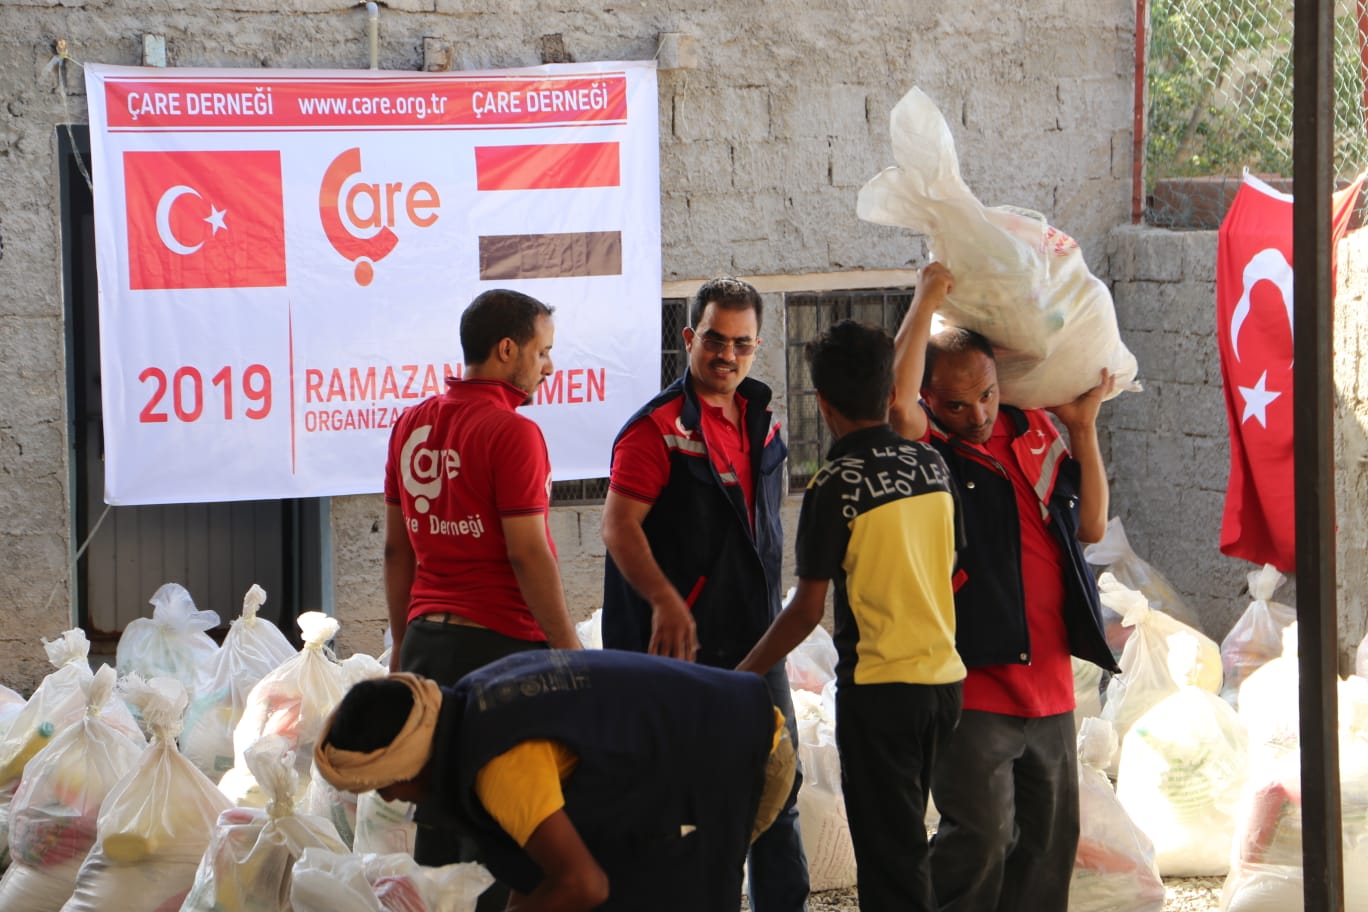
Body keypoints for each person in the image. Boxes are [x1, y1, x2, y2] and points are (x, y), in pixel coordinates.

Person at [888, 262, 1121, 912]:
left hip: (1049, 685)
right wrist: (927, 294)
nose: (977, 413)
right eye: (956, 403)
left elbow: (1094, 524)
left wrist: (1083, 428)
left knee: (1049, 845)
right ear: (934, 400)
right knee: (980, 839)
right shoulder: (933, 451)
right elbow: (897, 405)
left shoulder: (1037, 432)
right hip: (975, 682)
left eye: (987, 395)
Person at [737, 319, 966, 912]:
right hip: (944, 685)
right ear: (893, 392)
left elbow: (806, 609)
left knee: (890, 861)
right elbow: (950, 565)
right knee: (908, 843)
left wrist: (743, 672)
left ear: (822, 403)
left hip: (883, 692)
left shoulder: (835, 483)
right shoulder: (932, 466)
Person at [600, 276, 809, 911]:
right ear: (689, 338)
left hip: (758, 642)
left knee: (777, 787)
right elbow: (617, 525)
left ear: (758, 346)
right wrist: (666, 601)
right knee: (684, 802)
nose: (727, 355)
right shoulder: (657, 430)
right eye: (715, 341)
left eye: (742, 345)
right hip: (678, 651)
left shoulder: (765, 427)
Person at [314, 649, 797, 912]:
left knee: (656, 891)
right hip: (721, 727)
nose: (389, 796)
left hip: (744, 753)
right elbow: (539, 870)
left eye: (383, 784)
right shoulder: (472, 703)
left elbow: (583, 884)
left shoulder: (498, 768)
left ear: (409, 762)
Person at [382, 288, 581, 895]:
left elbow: (398, 550)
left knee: (442, 827)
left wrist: (400, 648)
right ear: (506, 349)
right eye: (542, 352)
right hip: (497, 654)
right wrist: (569, 649)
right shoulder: (512, 433)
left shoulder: (411, 424)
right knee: (506, 829)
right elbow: (528, 552)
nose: (549, 366)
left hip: (425, 644)